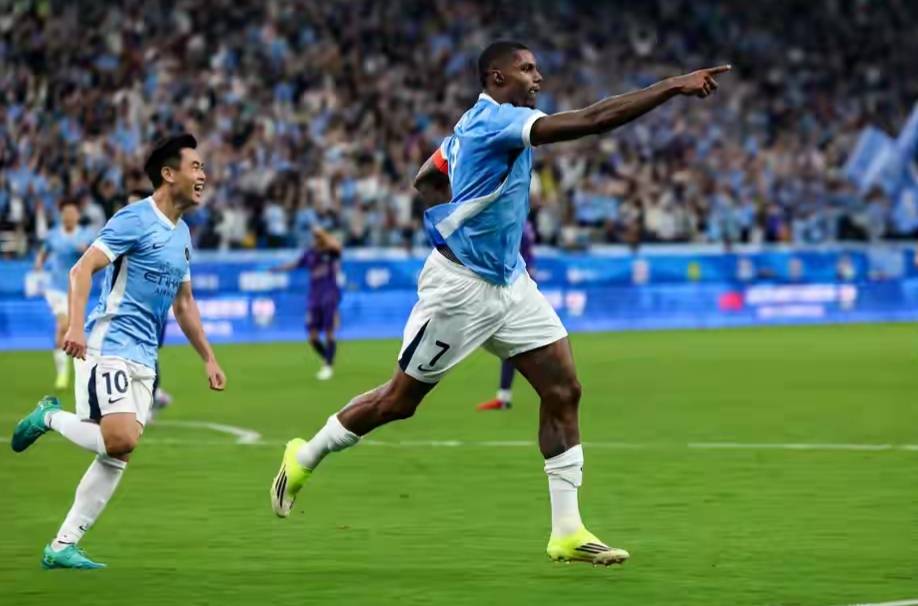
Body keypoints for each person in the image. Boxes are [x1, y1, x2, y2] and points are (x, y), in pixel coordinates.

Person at [270, 40, 729, 566]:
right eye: (527, 69)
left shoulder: (469, 127)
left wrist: (456, 218)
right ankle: (304, 456)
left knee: (563, 389)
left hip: (511, 283)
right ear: (496, 78)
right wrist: (672, 86)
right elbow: (594, 120)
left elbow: (427, 178)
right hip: (460, 290)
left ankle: (567, 531)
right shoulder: (497, 122)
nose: (538, 77)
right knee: (398, 402)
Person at [10, 134, 227, 570]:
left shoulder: (183, 234)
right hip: (109, 343)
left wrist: (208, 356)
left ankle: (62, 545)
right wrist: (75, 325)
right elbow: (81, 269)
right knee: (121, 439)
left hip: (146, 355)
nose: (203, 175)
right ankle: (48, 417)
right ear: (169, 174)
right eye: (196, 167)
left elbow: (184, 303)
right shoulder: (133, 219)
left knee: (118, 453)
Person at [476, 216, 537, 411]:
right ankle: (504, 396)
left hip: (512, 287)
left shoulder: (512, 225)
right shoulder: (523, 224)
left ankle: (505, 397)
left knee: (513, 343)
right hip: (520, 285)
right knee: (512, 343)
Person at [33, 199, 94, 390]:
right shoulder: (53, 235)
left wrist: (85, 251)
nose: (69, 216)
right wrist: (39, 263)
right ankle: (62, 373)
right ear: (61, 215)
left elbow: (94, 255)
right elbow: (44, 251)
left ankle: (76, 367)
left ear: (77, 215)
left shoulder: (86, 234)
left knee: (71, 328)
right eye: (66, 213)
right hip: (56, 288)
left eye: (72, 212)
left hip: (77, 289)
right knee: (63, 325)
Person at [272, 226, 343, 380]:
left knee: (329, 332)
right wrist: (277, 269)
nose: (316, 239)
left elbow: (337, 247)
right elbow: (296, 264)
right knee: (312, 337)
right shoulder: (310, 253)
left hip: (329, 295)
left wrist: (323, 233)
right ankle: (328, 359)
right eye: (315, 237)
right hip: (314, 297)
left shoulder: (330, 252)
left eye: (318, 236)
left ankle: (328, 366)